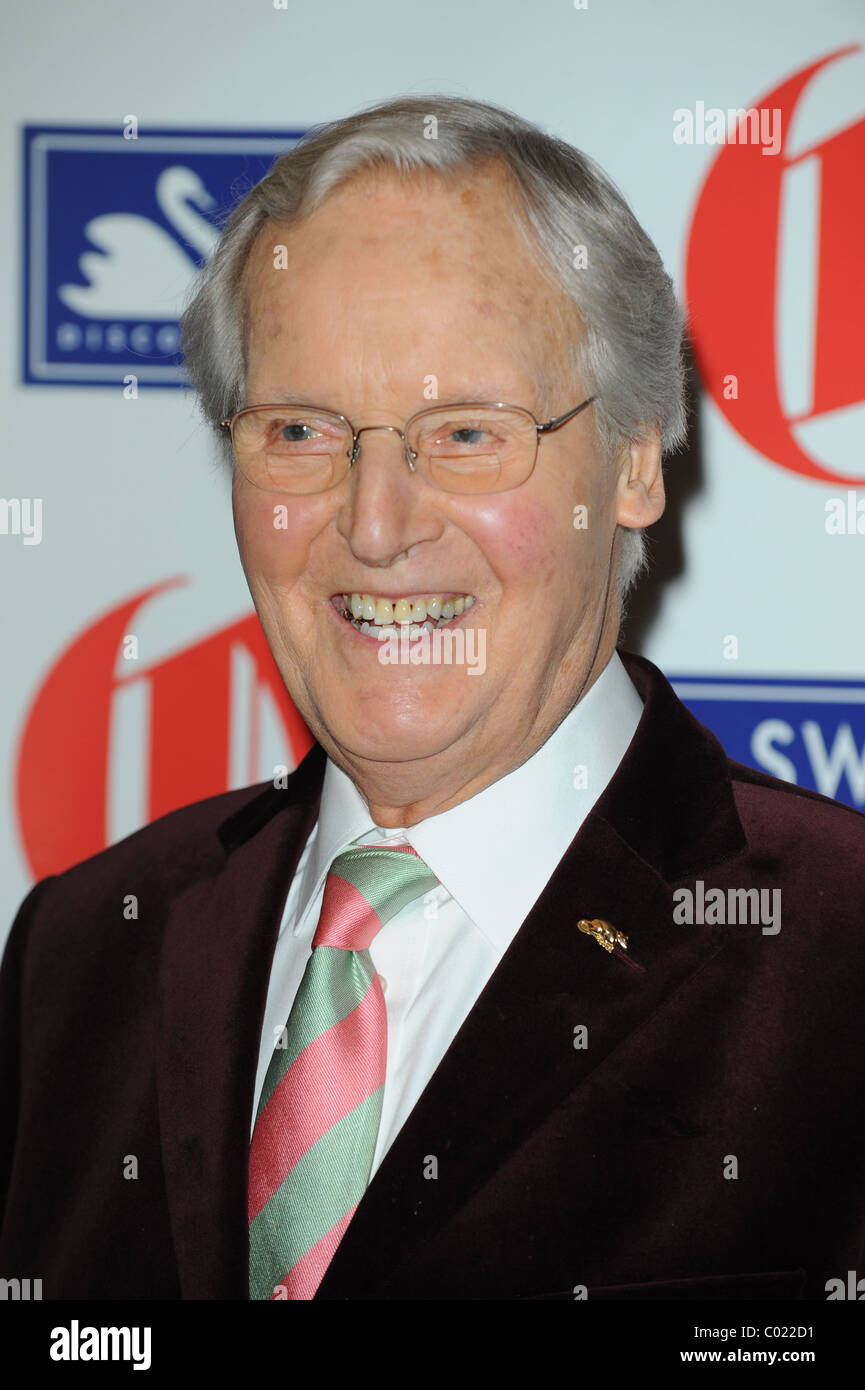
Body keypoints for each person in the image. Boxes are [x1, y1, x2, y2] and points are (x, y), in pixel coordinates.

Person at [2, 94, 863, 1302]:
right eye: (300, 429)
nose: (374, 522)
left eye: (464, 432)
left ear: (631, 459)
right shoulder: (80, 955)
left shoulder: (837, 960)